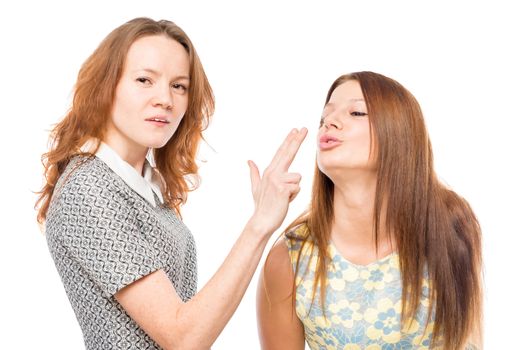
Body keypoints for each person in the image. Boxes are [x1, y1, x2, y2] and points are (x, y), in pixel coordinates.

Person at [36, 17, 308, 349]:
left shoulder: (142, 187)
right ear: (106, 87)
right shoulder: (90, 188)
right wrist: (260, 225)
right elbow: (183, 338)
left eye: (179, 86)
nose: (165, 99)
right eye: (144, 80)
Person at [257, 71, 482, 350]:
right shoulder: (290, 259)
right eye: (324, 117)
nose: (330, 122)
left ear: (399, 132)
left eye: (356, 112)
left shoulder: (450, 224)